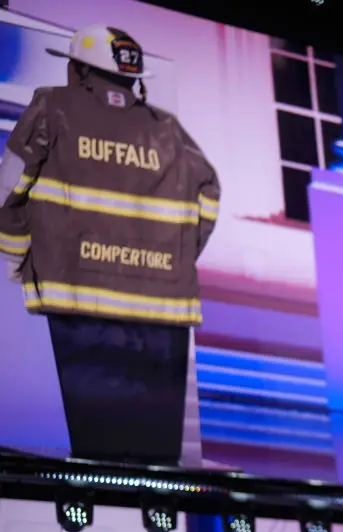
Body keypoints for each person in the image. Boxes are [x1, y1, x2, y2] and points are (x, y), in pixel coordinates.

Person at [0, 26, 219, 465]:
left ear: (79, 71)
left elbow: (10, 189)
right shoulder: (170, 131)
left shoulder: (51, 107)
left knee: (98, 455)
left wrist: (16, 254)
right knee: (155, 464)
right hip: (163, 315)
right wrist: (171, 263)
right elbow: (208, 198)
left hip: (80, 302)